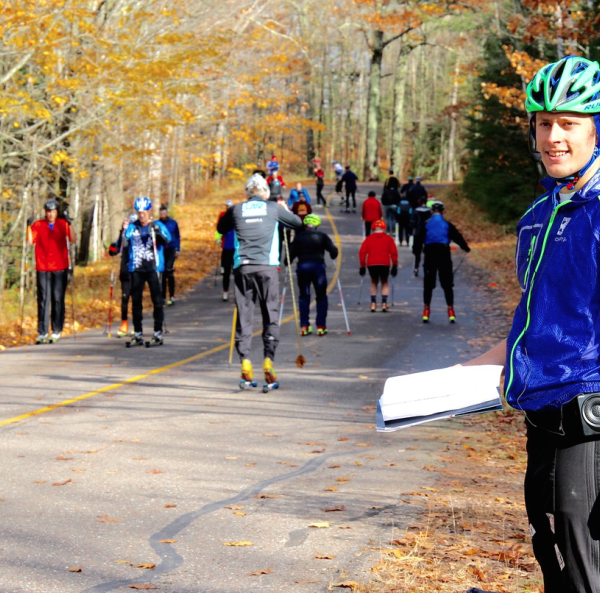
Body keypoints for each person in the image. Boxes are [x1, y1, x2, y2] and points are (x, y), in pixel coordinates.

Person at [463, 55, 600, 593]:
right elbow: (534, 321)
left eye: (569, 123)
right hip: (542, 406)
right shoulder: (538, 216)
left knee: (580, 538)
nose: (553, 137)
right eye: (544, 123)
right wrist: (463, 375)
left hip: (590, 409)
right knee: (548, 539)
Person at [216, 174, 302, 388]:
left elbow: (220, 228)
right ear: (265, 193)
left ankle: (245, 361)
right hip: (267, 267)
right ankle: (268, 360)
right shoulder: (273, 208)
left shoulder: (236, 209)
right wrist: (284, 208)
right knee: (269, 314)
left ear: (247, 193)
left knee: (244, 316)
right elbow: (298, 223)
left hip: (243, 268)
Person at [123, 197, 171, 345]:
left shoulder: (157, 224)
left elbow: (168, 240)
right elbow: (124, 242)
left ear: (149, 211)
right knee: (136, 301)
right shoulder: (133, 226)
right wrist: (124, 230)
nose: (141, 215)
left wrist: (156, 231)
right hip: (136, 267)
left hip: (154, 267)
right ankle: (137, 332)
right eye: (139, 212)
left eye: (143, 212)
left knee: (157, 300)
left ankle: (157, 332)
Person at [28, 199, 76, 344]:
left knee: (57, 298)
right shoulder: (39, 225)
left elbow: (73, 239)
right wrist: (28, 227)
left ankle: (56, 330)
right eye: (48, 211)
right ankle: (42, 331)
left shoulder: (62, 224)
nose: (50, 214)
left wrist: (70, 223)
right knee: (43, 299)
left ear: (57, 212)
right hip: (43, 267)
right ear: (45, 212)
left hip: (60, 267)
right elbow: (30, 241)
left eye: (53, 211)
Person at [289, 214, 338, 336]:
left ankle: (304, 326)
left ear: (305, 225)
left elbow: (290, 255)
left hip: (303, 267)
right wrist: (333, 255)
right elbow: (334, 251)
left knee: (304, 296)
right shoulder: (322, 236)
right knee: (321, 296)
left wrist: (287, 261)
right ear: (317, 225)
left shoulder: (299, 237)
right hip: (318, 268)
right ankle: (321, 326)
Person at [421, 201, 469, 323]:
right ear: (443, 211)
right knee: (447, 282)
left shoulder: (426, 223)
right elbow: (456, 236)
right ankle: (450, 310)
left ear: (431, 211)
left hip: (430, 254)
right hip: (443, 253)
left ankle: (426, 310)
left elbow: (418, 237)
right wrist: (465, 247)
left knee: (428, 282)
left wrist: (416, 250)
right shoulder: (447, 224)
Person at [358, 219, 398, 312]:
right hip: (384, 263)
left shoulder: (368, 239)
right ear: (384, 228)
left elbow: (362, 252)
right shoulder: (389, 239)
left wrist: (362, 266)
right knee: (384, 282)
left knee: (373, 282)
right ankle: (384, 303)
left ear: (373, 229)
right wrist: (394, 265)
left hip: (372, 264)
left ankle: (373, 303)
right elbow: (394, 253)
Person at [108, 213, 138, 337]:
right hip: (125, 270)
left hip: (137, 270)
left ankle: (137, 325)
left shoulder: (139, 235)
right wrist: (113, 248)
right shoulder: (123, 234)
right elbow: (114, 249)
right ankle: (124, 323)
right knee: (125, 298)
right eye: (128, 222)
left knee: (136, 298)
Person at [158, 204, 180, 306]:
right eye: (161, 213)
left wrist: (178, 249)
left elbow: (177, 236)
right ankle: (163, 296)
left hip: (171, 248)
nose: (163, 214)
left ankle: (172, 295)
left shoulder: (173, 223)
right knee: (162, 273)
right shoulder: (157, 224)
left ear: (166, 213)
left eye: (164, 213)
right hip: (161, 250)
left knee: (169, 270)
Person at [216, 200, 236, 301]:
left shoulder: (237, 216)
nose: (228, 208)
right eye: (227, 206)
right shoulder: (222, 215)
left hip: (236, 248)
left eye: (229, 206)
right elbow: (218, 228)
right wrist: (218, 238)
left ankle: (238, 291)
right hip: (226, 246)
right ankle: (225, 292)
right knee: (226, 272)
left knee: (237, 271)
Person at [410, 197, 431, 276]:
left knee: (417, 252)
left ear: (419, 202)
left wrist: (412, 229)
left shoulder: (416, 210)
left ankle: (416, 267)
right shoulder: (429, 211)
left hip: (418, 232)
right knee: (427, 251)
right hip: (427, 233)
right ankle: (427, 267)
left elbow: (412, 221)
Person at [381, 169, 401, 236]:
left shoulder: (388, 178)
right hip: (394, 204)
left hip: (387, 204)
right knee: (393, 218)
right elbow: (399, 185)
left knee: (387, 218)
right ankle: (394, 232)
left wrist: (385, 192)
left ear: (389, 173)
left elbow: (385, 186)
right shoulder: (396, 178)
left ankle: (388, 231)